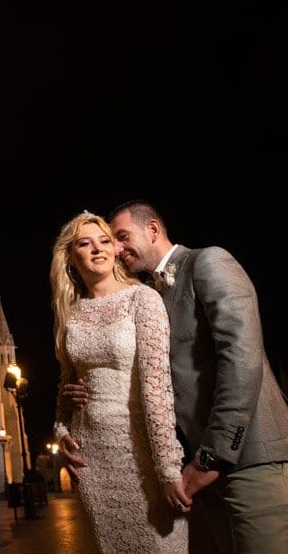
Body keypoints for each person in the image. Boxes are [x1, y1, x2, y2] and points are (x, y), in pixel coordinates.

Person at [60, 200, 288, 554]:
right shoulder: (145, 292)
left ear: (152, 229)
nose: (115, 249)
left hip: (252, 459)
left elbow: (241, 359)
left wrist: (211, 458)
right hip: (198, 470)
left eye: (120, 237)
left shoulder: (207, 261)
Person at [51, 210, 189, 553]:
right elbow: (66, 386)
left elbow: (157, 387)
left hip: (140, 454)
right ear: (70, 255)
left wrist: (168, 468)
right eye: (85, 243)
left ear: (114, 249)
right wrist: (62, 431)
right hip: (91, 461)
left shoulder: (142, 299)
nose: (97, 249)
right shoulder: (71, 312)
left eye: (104, 241)